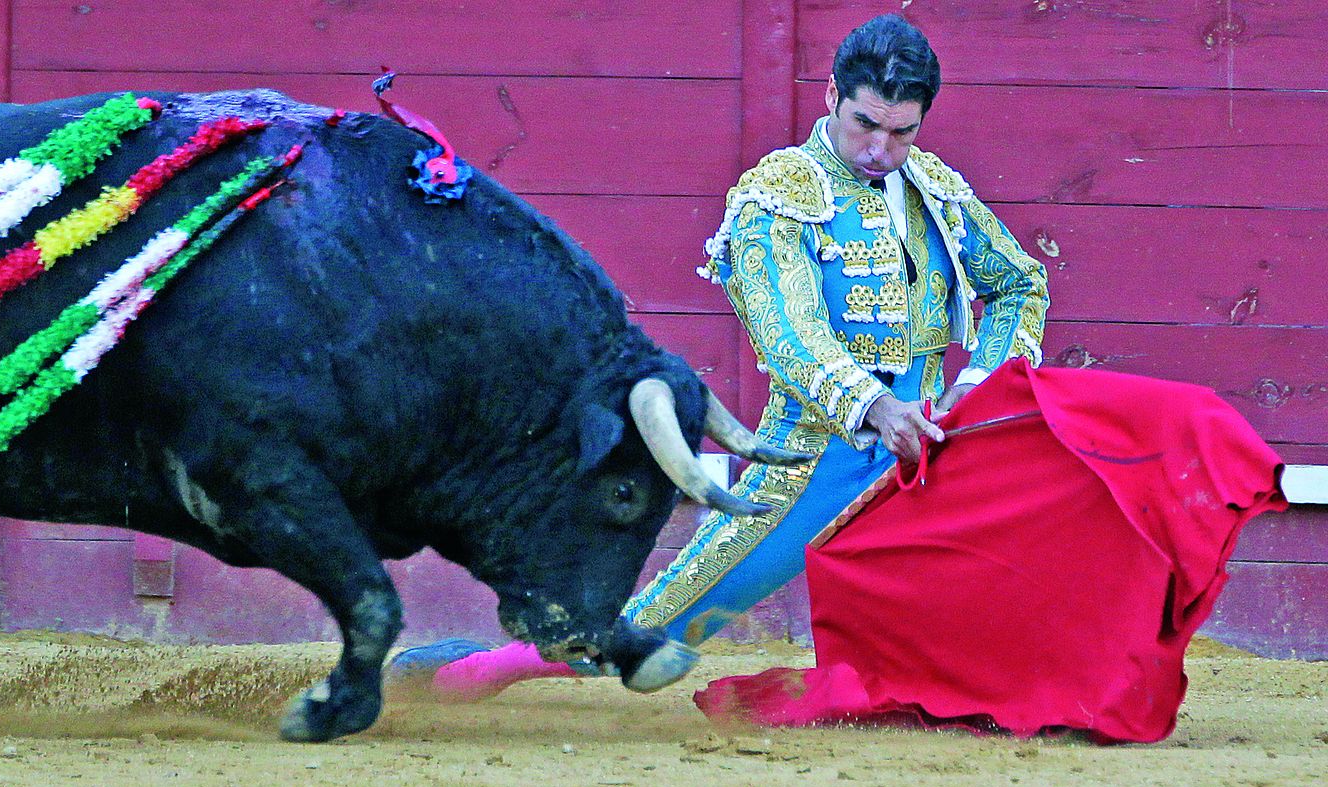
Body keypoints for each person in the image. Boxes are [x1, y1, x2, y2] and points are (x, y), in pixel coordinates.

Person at [389, 13, 1051, 699]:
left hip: (924, 458)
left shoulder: (935, 189)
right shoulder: (779, 194)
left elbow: (1018, 284)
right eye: (866, 125)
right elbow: (786, 330)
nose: (881, 149)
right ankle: (483, 669)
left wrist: (974, 387)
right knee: (650, 635)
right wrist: (876, 405)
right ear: (831, 97)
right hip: (816, 460)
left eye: (902, 132)